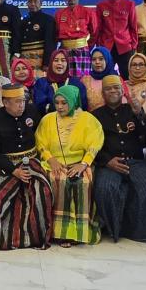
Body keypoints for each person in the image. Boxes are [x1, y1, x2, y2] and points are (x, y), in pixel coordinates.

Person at [92, 76, 146, 242]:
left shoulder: (133, 110)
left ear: (122, 91)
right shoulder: (95, 116)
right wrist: (107, 161)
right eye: (108, 89)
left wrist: (139, 114)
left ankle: (142, 232)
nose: (113, 91)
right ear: (103, 93)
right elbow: (91, 144)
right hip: (108, 164)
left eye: (116, 88)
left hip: (135, 162)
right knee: (105, 188)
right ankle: (113, 230)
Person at [0, 84, 53, 250]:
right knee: (0, 195)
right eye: (17, 102)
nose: (22, 105)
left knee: (41, 190)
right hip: (6, 165)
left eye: (23, 101)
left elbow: (41, 135)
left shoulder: (32, 111)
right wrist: (14, 170)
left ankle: (38, 237)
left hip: (32, 161)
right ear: (5, 103)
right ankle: (9, 238)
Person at [35, 85, 103, 246]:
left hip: (80, 163)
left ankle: (79, 232)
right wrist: (50, 159)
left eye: (64, 103)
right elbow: (40, 142)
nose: (59, 107)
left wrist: (84, 163)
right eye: (57, 103)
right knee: (58, 180)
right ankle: (59, 233)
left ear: (73, 101)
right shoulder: (47, 119)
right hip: (53, 163)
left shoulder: (88, 119)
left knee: (82, 182)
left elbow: (95, 144)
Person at [95, 0, 138, 79]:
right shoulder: (101, 6)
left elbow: (133, 27)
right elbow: (98, 28)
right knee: (105, 76)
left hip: (125, 46)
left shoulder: (129, 4)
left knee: (127, 77)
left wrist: (133, 45)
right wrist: (100, 46)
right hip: (107, 47)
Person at [55, 0, 97, 78]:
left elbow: (94, 33)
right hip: (64, 50)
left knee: (83, 80)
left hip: (82, 51)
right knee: (64, 78)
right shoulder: (59, 14)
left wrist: (86, 46)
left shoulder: (88, 12)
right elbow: (56, 34)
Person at [32, 49, 88, 116]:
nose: (59, 63)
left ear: (67, 64)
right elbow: (39, 106)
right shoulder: (42, 83)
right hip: (50, 120)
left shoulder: (76, 83)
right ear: (51, 63)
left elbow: (83, 105)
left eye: (63, 60)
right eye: (56, 60)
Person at [20, 0, 56, 76]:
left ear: (41, 3)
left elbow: (50, 43)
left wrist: (46, 63)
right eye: (30, 1)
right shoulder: (23, 21)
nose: (33, 4)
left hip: (40, 59)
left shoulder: (48, 20)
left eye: (35, 1)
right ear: (27, 4)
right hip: (24, 59)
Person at [81, 46, 127, 112]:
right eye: (94, 59)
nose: (97, 62)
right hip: (91, 117)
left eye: (101, 59)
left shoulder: (117, 79)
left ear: (107, 60)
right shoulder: (85, 80)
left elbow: (125, 102)